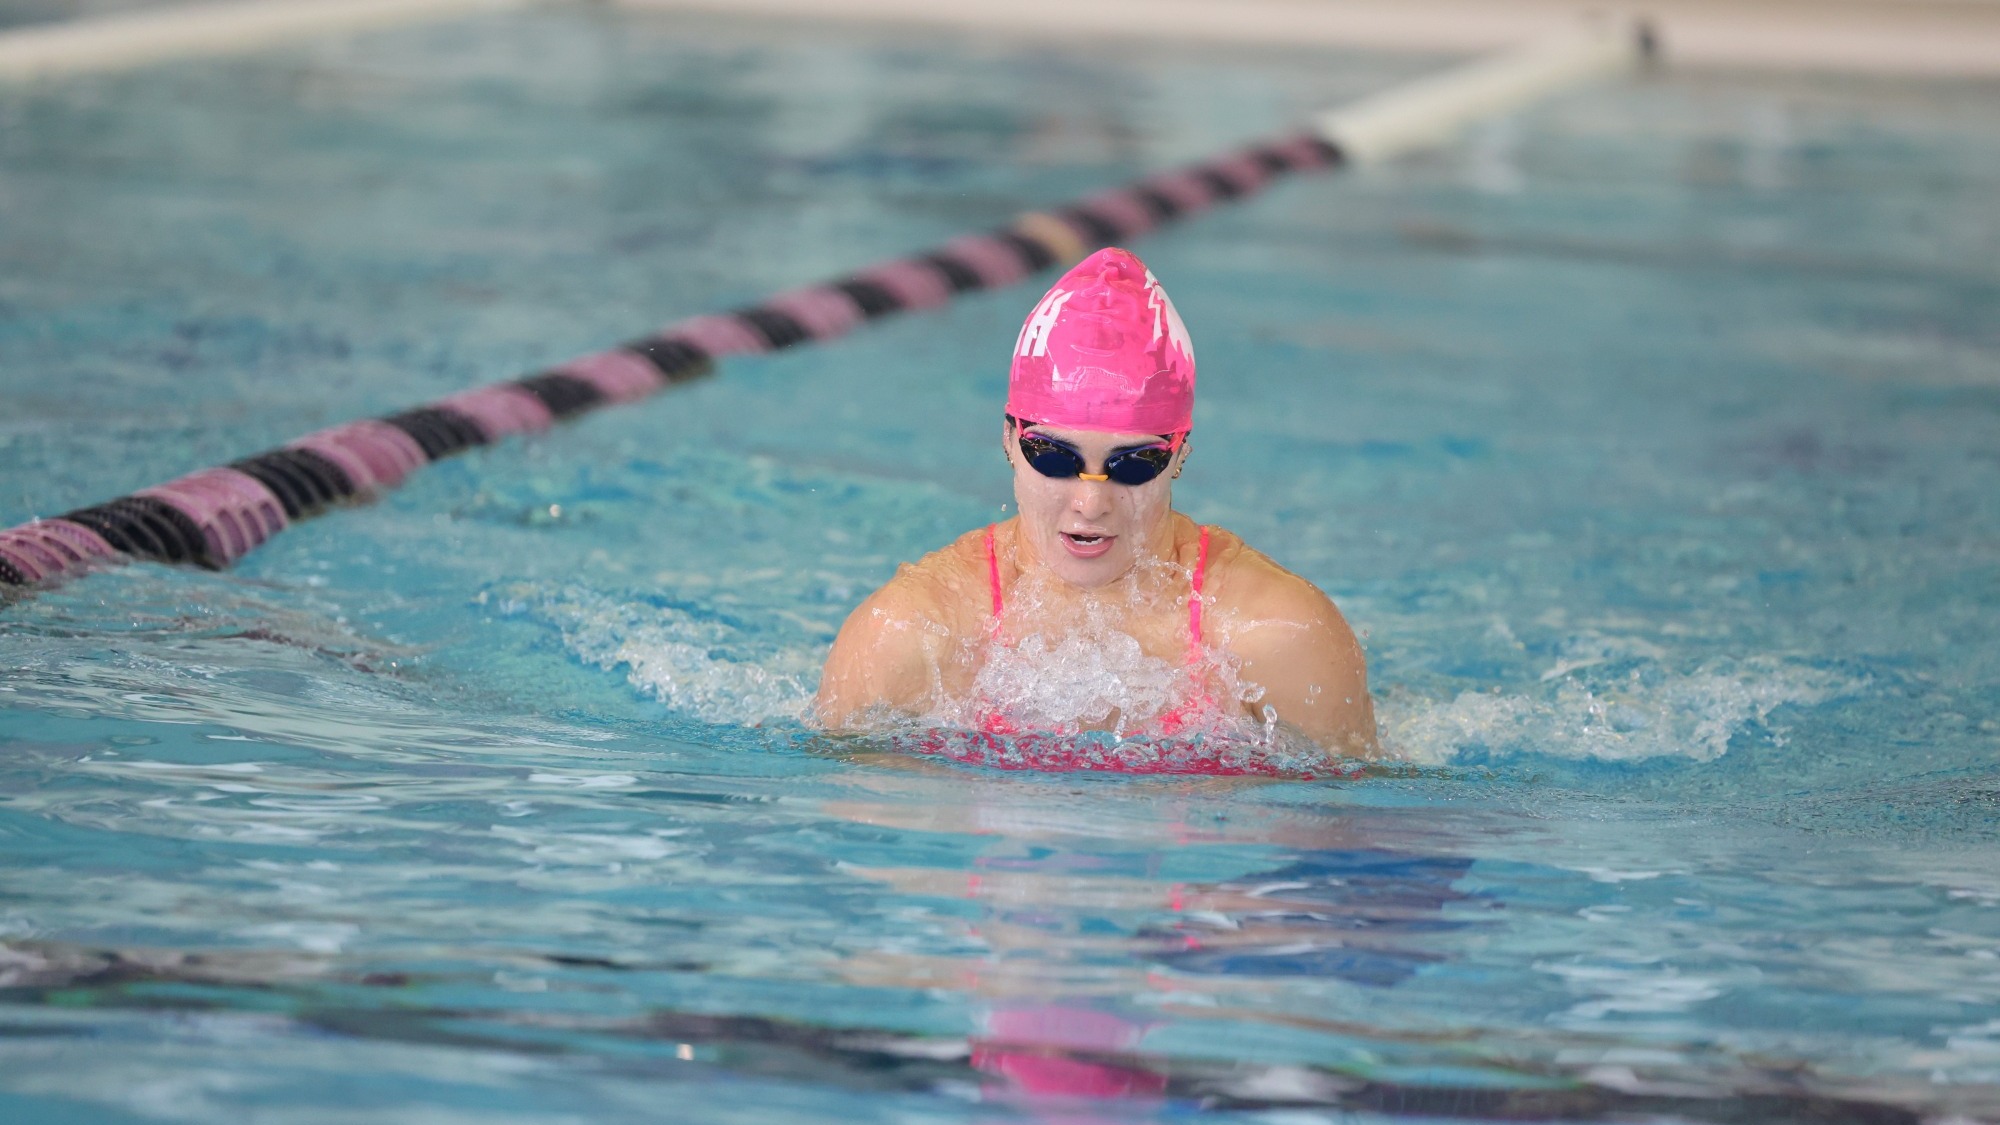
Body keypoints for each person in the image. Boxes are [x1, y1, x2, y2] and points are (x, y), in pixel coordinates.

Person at [816, 247, 1376, 760]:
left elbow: (1347, 838)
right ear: (1010, 439)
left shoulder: (1276, 636)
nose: (1090, 503)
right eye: (1054, 457)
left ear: (1180, 454)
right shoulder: (913, 632)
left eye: (1133, 464)